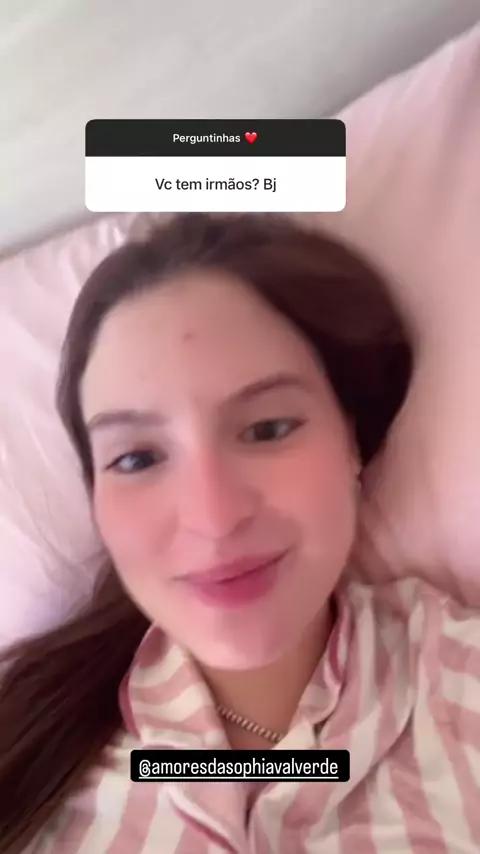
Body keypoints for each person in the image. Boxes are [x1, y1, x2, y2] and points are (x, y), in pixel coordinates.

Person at [0, 213, 478, 854]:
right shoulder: (23, 741)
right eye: (137, 458)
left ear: (351, 440)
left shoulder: (461, 682)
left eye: (268, 429)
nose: (214, 517)